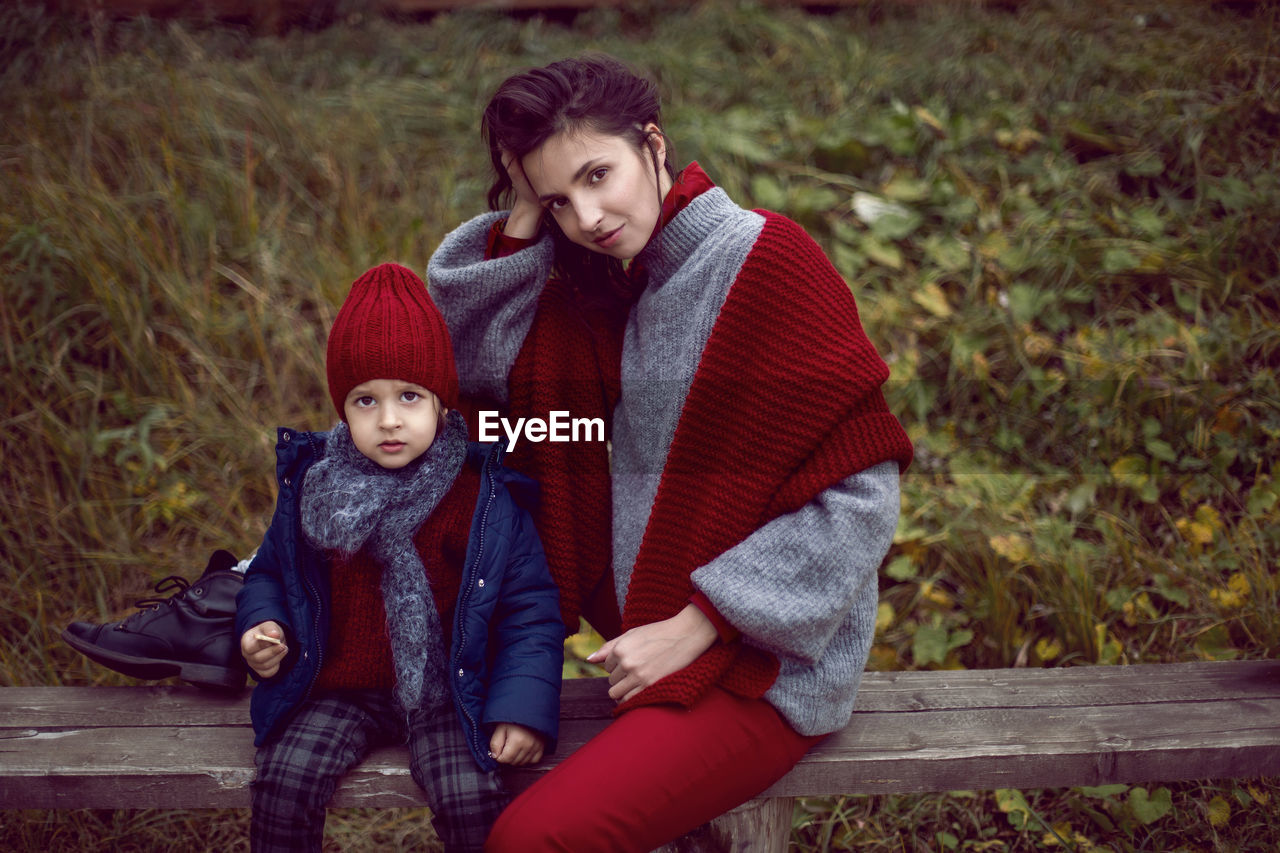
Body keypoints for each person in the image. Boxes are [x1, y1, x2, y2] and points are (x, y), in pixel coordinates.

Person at [425, 54, 914, 852]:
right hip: (651, 645)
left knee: (533, 840)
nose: (586, 215)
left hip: (765, 668)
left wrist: (702, 621)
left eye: (597, 174)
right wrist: (520, 212)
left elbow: (862, 501)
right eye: (558, 199)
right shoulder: (606, 288)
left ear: (653, 144)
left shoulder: (767, 265)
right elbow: (476, 382)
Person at [234, 262, 563, 852]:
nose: (388, 420)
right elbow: (271, 573)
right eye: (365, 400)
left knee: (474, 800)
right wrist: (264, 625)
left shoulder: (479, 498)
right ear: (343, 409)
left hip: (449, 690)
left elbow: (529, 610)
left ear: (441, 403)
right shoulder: (317, 486)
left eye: (409, 396)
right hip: (339, 687)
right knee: (283, 783)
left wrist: (520, 708)